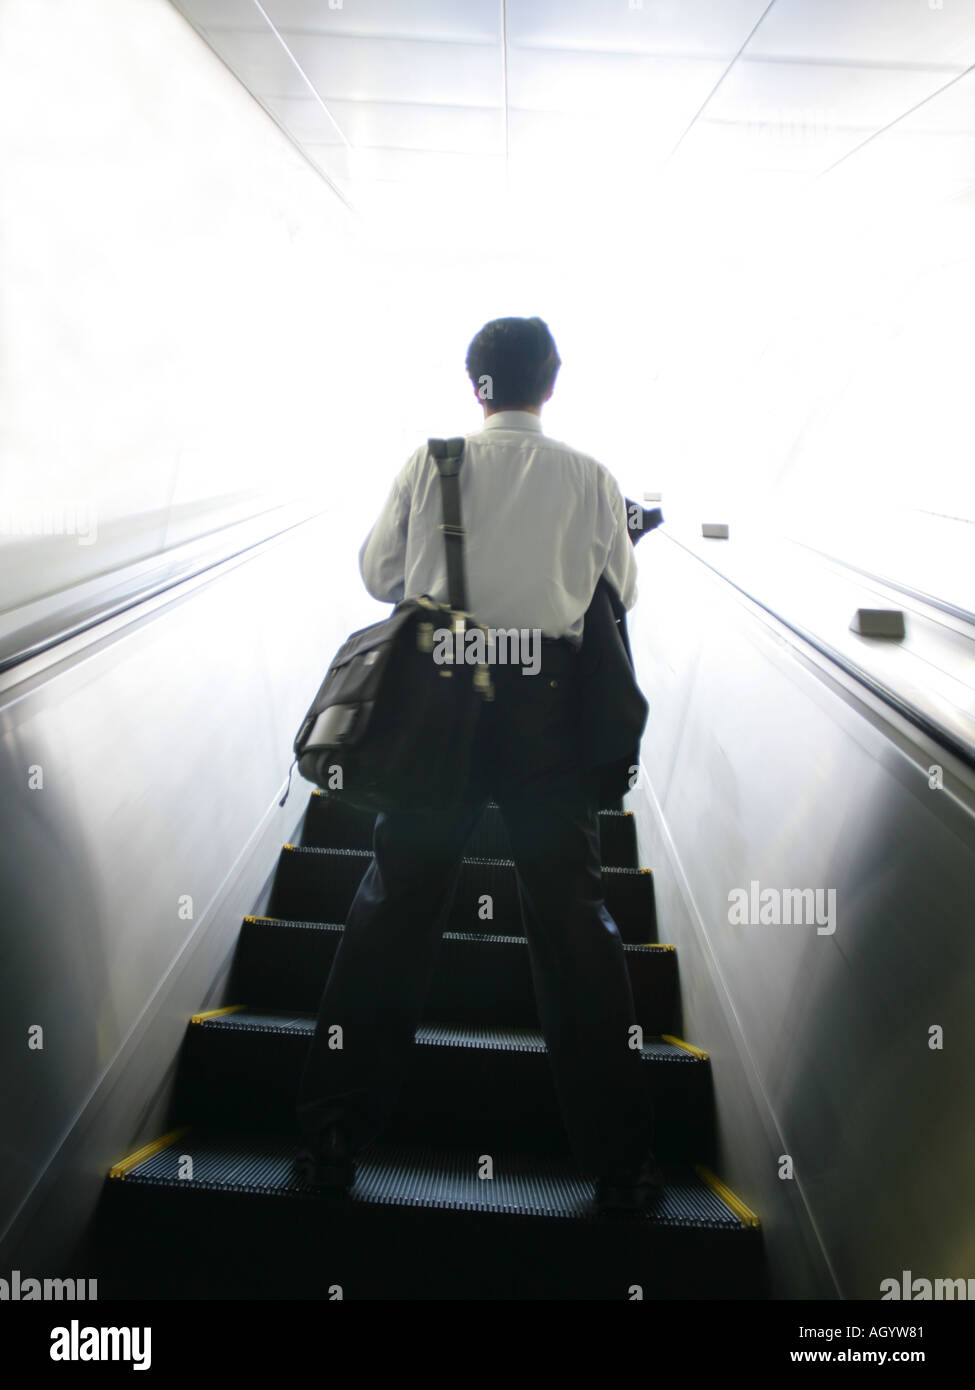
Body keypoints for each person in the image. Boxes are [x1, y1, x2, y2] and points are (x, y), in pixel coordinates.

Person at [294, 316, 663, 1213]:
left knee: (396, 907)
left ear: (476, 385)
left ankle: (335, 1134)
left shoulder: (431, 463)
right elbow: (621, 594)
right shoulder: (590, 477)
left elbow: (382, 576)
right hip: (544, 712)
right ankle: (618, 1157)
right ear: (550, 383)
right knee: (572, 920)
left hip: (439, 707)